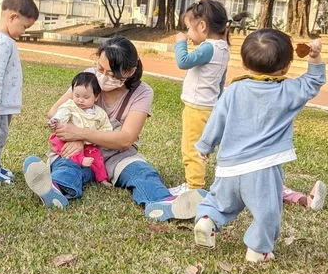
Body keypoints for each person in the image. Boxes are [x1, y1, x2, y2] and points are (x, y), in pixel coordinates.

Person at [23, 36, 205, 216]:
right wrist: (78, 140)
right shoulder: (88, 79)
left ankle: (162, 203)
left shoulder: (142, 92)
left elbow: (126, 139)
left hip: (117, 155)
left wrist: (81, 134)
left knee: (142, 172)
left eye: (111, 73)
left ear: (130, 71)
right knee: (67, 167)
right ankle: (54, 190)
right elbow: (54, 111)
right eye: (100, 68)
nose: (102, 76)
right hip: (79, 152)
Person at [193, 31, 325, 263]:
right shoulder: (288, 91)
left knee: (220, 202)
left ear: (244, 63)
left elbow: (217, 120)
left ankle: (207, 219)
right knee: (267, 212)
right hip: (263, 168)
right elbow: (313, 82)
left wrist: (205, 146)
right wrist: (314, 57)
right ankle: (258, 250)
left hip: (229, 168)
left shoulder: (233, 90)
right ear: (285, 68)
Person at [171, 0, 230, 195]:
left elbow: (183, 61)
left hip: (196, 108)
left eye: (188, 28)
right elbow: (222, 80)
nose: (187, 34)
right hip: (210, 106)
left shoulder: (209, 48)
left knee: (191, 148)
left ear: (202, 26)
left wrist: (179, 43)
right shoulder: (223, 48)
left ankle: (194, 187)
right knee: (203, 146)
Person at [0, 0, 39, 183]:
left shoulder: (2, 39)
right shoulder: (2, 42)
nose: (23, 32)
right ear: (12, 17)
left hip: (0, 103)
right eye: (24, 26)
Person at [48, 72, 113, 186]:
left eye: (86, 97)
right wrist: (56, 120)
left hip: (89, 144)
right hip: (67, 141)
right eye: (77, 96)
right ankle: (78, 160)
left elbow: (107, 129)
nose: (80, 100)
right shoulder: (70, 105)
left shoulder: (100, 113)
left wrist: (89, 138)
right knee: (68, 153)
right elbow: (61, 114)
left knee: (97, 159)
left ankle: (102, 179)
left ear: (96, 97)